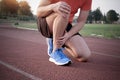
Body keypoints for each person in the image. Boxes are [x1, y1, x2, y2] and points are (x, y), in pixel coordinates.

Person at [37, 0, 92, 66]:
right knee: (64, 9)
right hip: (46, 21)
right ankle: (55, 51)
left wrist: (68, 35)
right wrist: (53, 6)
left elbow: (81, 22)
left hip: (65, 23)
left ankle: (55, 39)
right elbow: (38, 11)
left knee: (84, 55)